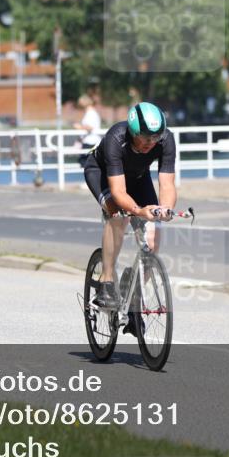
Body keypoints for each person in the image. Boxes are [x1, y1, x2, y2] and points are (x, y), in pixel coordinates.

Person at [82, 101, 176, 315]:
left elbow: (167, 184)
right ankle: (106, 282)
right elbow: (118, 192)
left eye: (155, 138)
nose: (151, 143)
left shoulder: (166, 139)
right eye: (145, 138)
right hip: (103, 175)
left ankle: (134, 294)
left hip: (138, 178)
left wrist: (166, 209)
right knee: (117, 215)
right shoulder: (116, 137)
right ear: (133, 133)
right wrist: (138, 211)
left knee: (152, 240)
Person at [74, 95, 102, 167]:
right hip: (89, 141)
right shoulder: (90, 113)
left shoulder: (91, 113)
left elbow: (90, 127)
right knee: (86, 163)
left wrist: (79, 127)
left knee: (85, 162)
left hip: (91, 142)